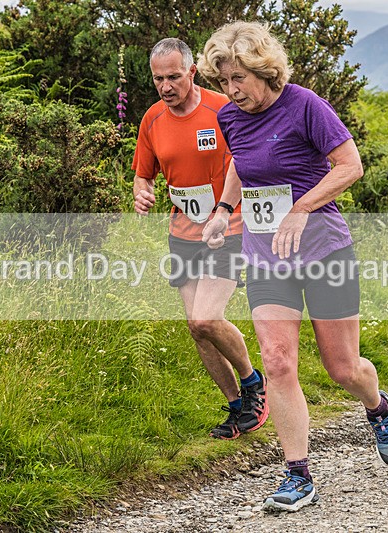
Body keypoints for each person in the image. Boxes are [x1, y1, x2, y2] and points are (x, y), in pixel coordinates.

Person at [197, 21, 388, 512]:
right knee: (277, 360)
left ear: (262, 70)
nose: (231, 90)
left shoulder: (305, 105)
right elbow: (239, 165)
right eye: (224, 81)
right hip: (266, 258)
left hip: (324, 251)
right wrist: (224, 211)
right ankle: (297, 474)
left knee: (343, 368)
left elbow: (350, 166)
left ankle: (377, 406)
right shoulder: (230, 117)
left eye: (239, 79)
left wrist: (300, 208)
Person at [132, 38, 269, 440]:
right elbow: (144, 172)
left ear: (192, 72)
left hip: (229, 227)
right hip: (183, 232)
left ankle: (253, 384)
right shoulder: (152, 120)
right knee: (197, 328)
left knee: (205, 317)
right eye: (159, 78)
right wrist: (142, 190)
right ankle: (235, 407)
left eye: (174, 76)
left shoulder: (223, 110)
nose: (166, 86)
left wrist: (222, 213)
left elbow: (245, 163)